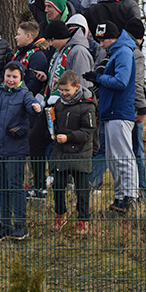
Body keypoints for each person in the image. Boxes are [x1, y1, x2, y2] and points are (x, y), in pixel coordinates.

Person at [28, 19, 94, 199]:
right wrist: (46, 79)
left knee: (67, 145)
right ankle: (40, 185)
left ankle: (72, 185)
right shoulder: (60, 51)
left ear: (59, 37)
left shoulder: (78, 51)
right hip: (52, 103)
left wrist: (76, 104)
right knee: (36, 139)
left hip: (69, 107)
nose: (50, 44)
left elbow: (82, 82)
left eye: (51, 40)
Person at [82, 21, 137, 214]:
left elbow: (121, 81)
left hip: (119, 112)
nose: (100, 43)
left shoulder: (123, 52)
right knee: (114, 158)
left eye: (102, 39)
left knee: (122, 157)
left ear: (112, 38)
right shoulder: (117, 52)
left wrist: (98, 78)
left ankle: (129, 197)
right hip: (112, 112)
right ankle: (121, 198)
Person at [0, 62, 41, 242]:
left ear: (21, 78)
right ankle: (4, 225)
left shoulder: (25, 94)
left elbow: (31, 104)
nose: (10, 80)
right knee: (2, 189)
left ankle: (20, 225)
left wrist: (35, 107)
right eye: (8, 76)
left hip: (15, 149)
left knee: (15, 187)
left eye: (14, 77)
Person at [51, 70, 97, 235]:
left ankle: (83, 220)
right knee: (57, 187)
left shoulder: (87, 106)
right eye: (61, 90)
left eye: (67, 90)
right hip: (61, 152)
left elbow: (88, 131)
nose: (64, 93)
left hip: (80, 153)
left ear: (76, 87)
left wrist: (69, 137)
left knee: (82, 190)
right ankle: (59, 214)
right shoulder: (59, 104)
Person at [125, 18, 146, 200]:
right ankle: (142, 192)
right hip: (131, 108)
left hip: (113, 108)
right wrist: (142, 108)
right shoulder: (136, 53)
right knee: (137, 151)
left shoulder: (115, 47)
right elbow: (136, 84)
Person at [12, 21, 49, 97]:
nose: (16, 37)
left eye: (19, 34)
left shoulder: (37, 56)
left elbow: (33, 85)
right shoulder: (20, 53)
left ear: (28, 36)